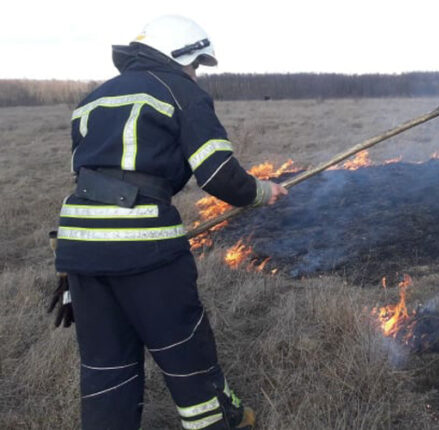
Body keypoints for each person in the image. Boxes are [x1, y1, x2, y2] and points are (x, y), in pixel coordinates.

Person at [51, 15, 286, 429]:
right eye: (196, 64)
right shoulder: (181, 91)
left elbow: (85, 178)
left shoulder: (93, 98)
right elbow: (216, 174)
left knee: (107, 370)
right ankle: (221, 422)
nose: (196, 73)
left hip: (80, 247)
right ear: (179, 55)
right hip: (145, 249)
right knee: (186, 357)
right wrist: (264, 192)